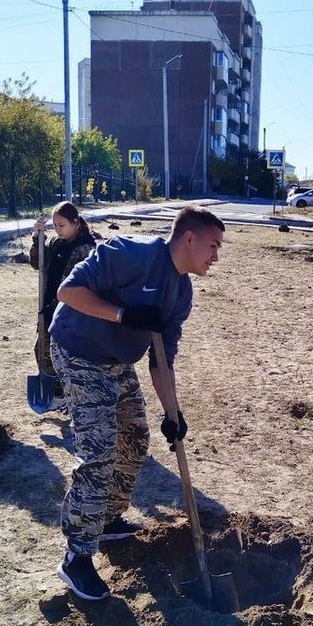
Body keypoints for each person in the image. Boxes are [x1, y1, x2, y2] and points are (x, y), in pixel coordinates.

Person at [49, 204, 225, 601]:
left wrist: (173, 414)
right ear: (189, 238)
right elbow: (67, 292)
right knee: (100, 453)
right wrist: (123, 314)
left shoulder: (181, 293)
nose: (216, 256)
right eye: (213, 245)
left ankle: (106, 518)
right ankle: (76, 557)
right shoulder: (131, 253)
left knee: (135, 438)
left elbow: (162, 361)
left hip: (116, 361)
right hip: (78, 350)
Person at [30, 201, 95, 401]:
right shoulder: (55, 244)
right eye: (55, 226)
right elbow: (36, 263)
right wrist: (37, 238)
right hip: (49, 308)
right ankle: (56, 394)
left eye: (62, 225)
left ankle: (70, 393)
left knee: (66, 354)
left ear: (75, 223)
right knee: (42, 349)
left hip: (71, 314)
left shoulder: (86, 248)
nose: (58, 230)